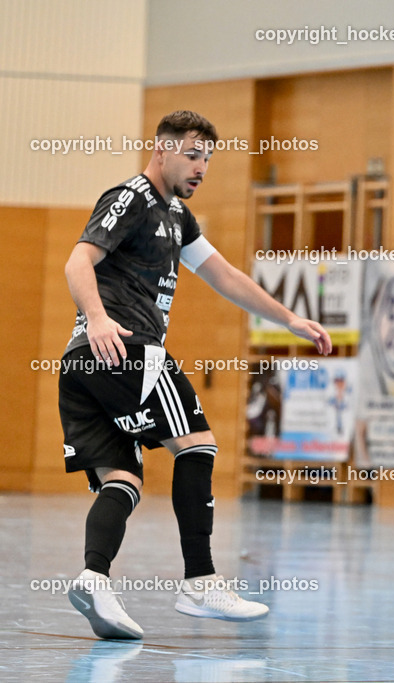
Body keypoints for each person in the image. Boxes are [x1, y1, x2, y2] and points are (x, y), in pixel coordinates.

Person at [60, 110, 332, 639]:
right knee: (198, 445)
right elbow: (77, 261)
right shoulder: (131, 198)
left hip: (83, 367)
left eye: (208, 157)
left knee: (123, 480)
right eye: (191, 154)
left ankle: (93, 578)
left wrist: (290, 318)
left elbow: (224, 275)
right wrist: (97, 318)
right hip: (124, 349)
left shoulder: (177, 216)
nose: (201, 166)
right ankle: (200, 582)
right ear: (160, 150)